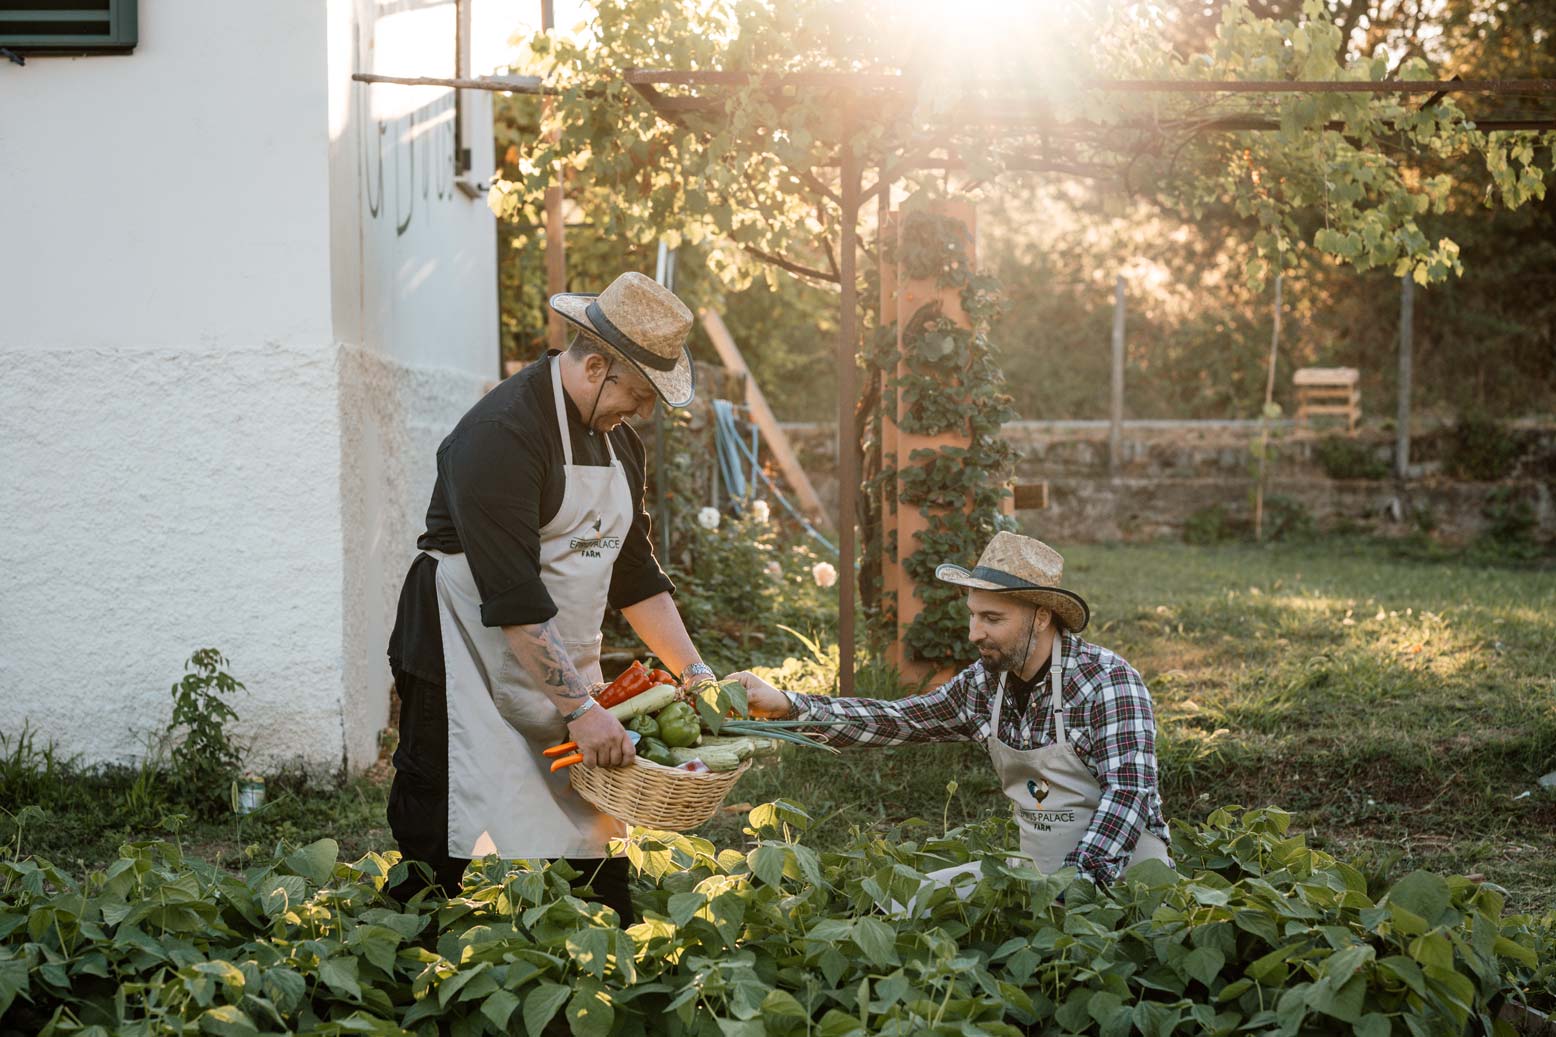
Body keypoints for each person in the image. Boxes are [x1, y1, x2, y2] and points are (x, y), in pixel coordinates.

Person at [385, 272, 719, 922]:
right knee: (444, 811)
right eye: (639, 394)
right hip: (463, 646)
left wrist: (696, 672)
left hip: (558, 648)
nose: (643, 413)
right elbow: (513, 593)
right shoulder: (501, 434)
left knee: (587, 816)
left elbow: (635, 576)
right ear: (595, 367)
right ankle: (414, 949)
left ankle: (598, 940)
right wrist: (580, 708)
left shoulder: (620, 443)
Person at [731, 531, 1171, 889]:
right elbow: (897, 720)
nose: (974, 633)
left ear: (1040, 617)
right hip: (1034, 875)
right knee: (908, 902)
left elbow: (1129, 793)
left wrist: (1075, 884)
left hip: (1124, 878)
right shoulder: (983, 685)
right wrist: (788, 704)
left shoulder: (1107, 681)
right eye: (973, 615)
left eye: (992, 619)